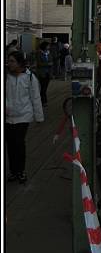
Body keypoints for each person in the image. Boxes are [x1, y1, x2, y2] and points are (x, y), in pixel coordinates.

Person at [4, 50, 44, 183]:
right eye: (8, 61)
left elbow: (35, 97)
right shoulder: (5, 77)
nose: (9, 64)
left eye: (12, 61)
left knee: (19, 142)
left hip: (24, 115)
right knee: (10, 144)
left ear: (20, 63)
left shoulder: (30, 77)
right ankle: (13, 172)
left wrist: (39, 117)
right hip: (8, 116)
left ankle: (21, 171)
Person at [35, 40, 53, 107]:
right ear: (44, 46)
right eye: (48, 45)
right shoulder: (39, 53)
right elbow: (39, 63)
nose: (49, 46)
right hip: (41, 73)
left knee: (44, 88)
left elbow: (51, 61)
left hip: (48, 73)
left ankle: (42, 101)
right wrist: (47, 64)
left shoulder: (49, 53)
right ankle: (43, 101)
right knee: (43, 88)